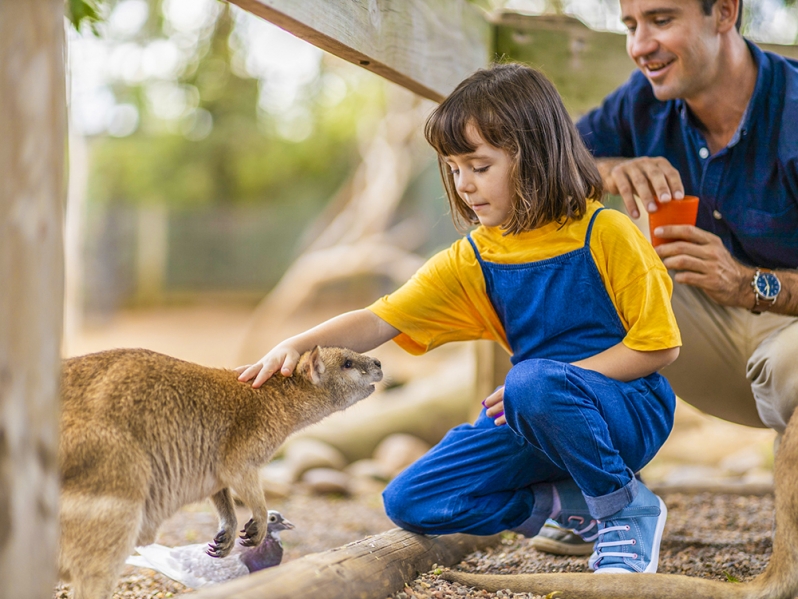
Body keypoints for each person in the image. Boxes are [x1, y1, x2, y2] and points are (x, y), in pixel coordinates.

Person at [237, 63, 682, 574]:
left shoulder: (607, 232)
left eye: (479, 165)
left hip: (626, 408)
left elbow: (658, 347)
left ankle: (624, 506)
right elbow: (380, 319)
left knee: (532, 382)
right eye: (453, 168)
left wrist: (550, 383)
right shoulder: (476, 257)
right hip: (528, 413)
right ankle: (570, 505)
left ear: (533, 156)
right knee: (411, 500)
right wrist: (295, 344)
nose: (464, 184)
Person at [532, 0, 798, 556]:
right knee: (577, 267)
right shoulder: (640, 104)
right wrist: (610, 171)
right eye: (631, 26)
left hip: (788, 347)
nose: (639, 45)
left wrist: (749, 282)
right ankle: (603, 496)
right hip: (699, 346)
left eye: (661, 19)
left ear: (724, 13)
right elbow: (549, 165)